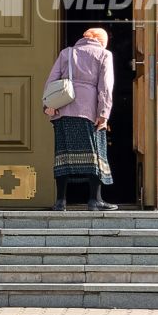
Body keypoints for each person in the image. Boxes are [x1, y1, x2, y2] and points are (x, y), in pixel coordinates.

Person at [44, 27, 118, 211]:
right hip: (89, 111)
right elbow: (105, 87)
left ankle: (60, 202)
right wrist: (104, 114)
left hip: (63, 111)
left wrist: (47, 106)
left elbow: (51, 80)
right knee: (96, 156)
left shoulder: (66, 53)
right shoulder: (104, 55)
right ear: (102, 41)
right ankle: (95, 200)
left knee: (62, 156)